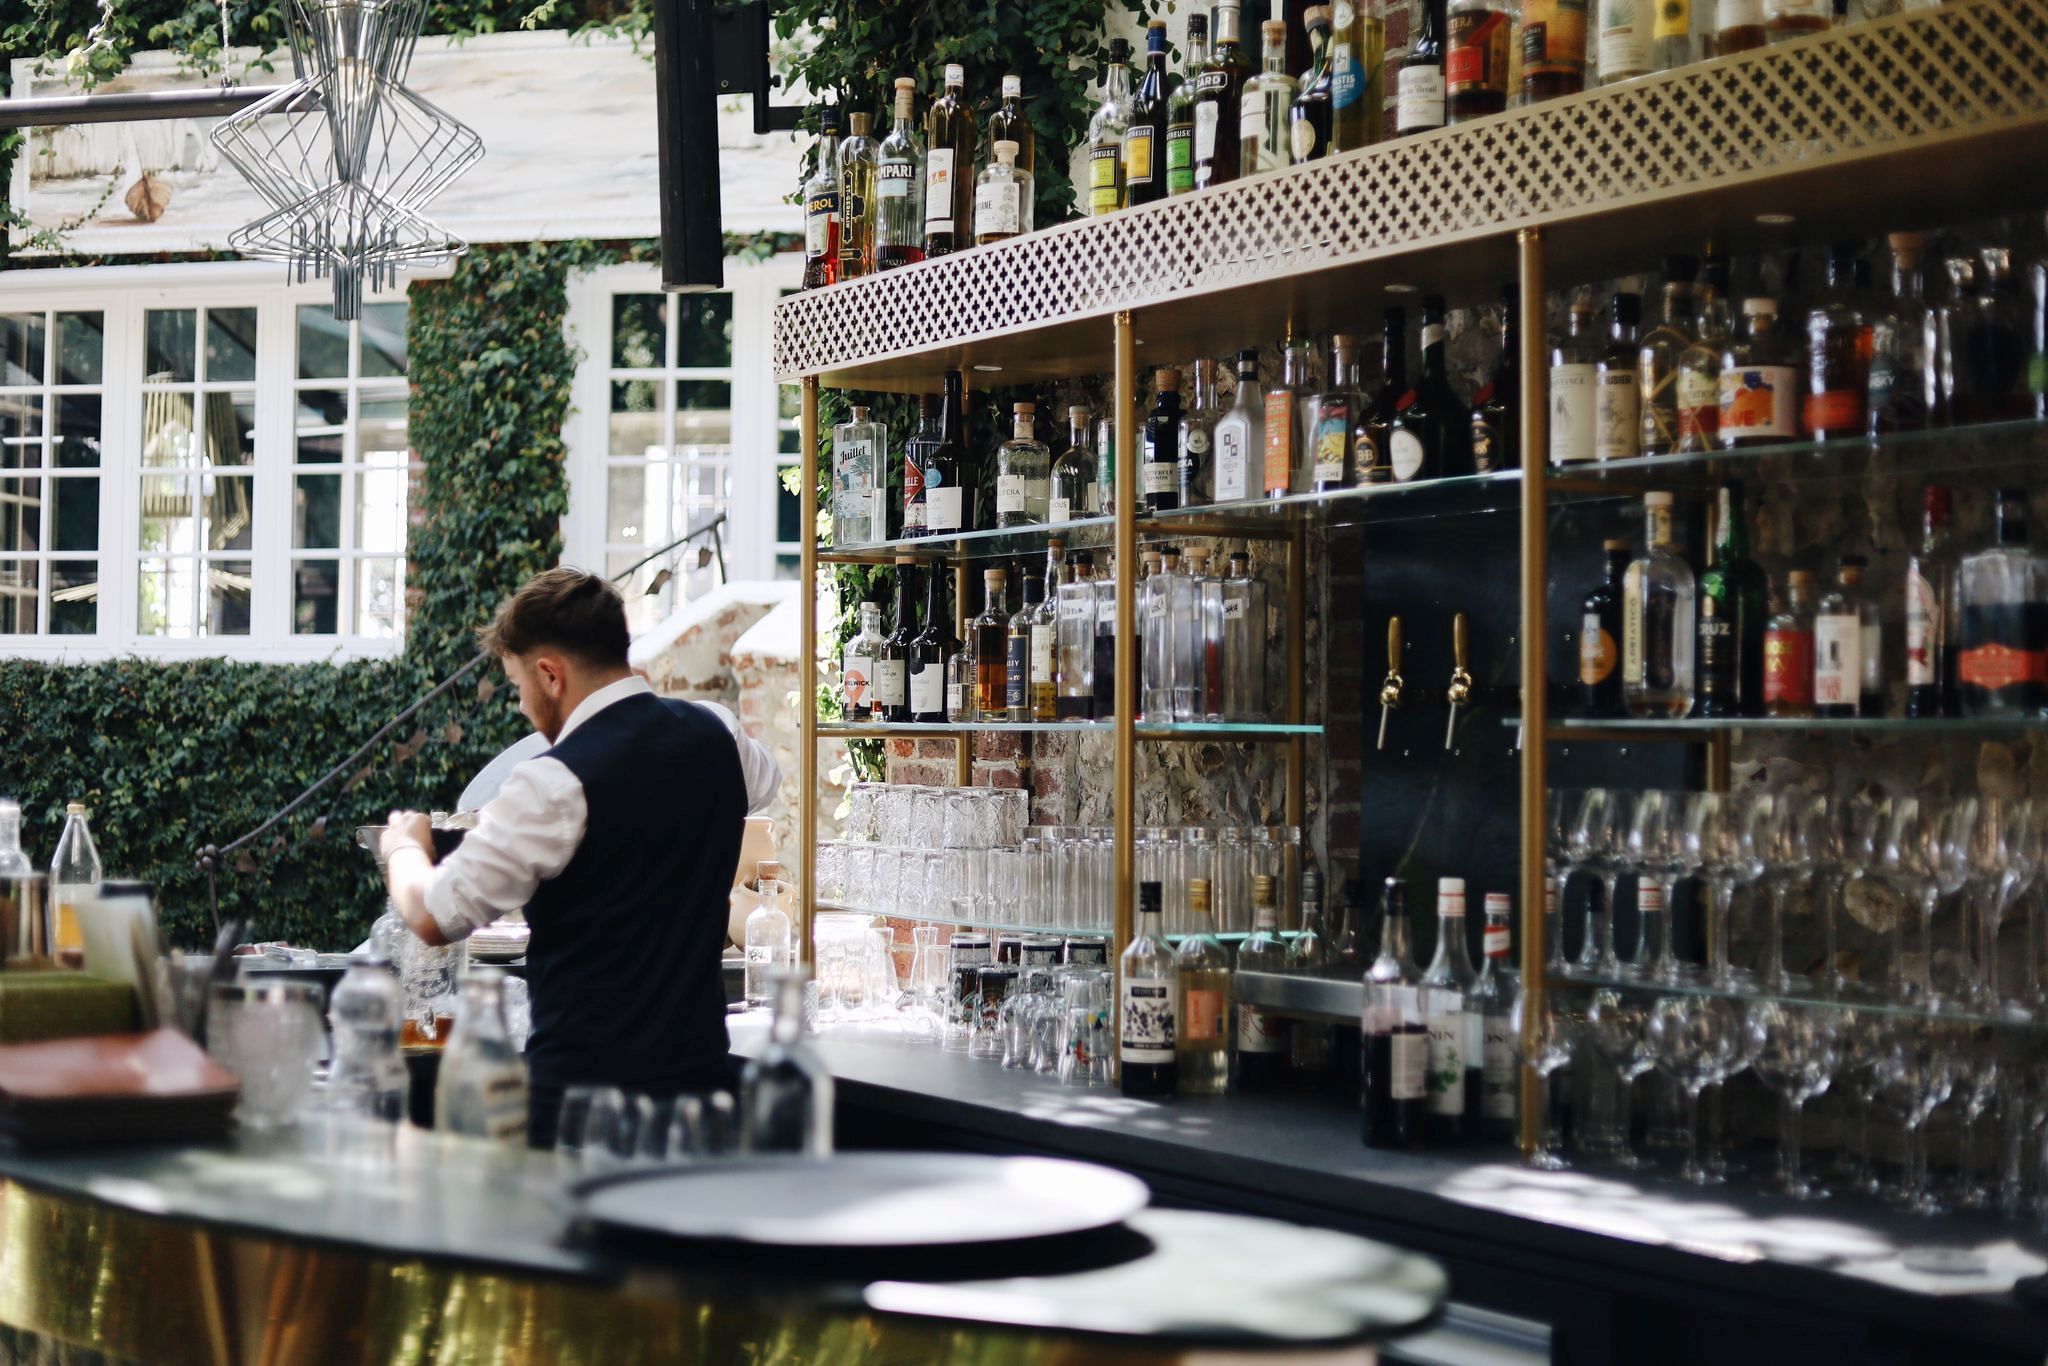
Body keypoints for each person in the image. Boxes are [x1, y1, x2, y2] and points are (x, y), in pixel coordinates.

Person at [380, 568, 780, 1146]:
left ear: (550, 674)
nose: (521, 705)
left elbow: (431, 914)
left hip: (581, 1111)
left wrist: (403, 847)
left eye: (518, 684)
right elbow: (757, 785)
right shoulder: (719, 734)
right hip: (700, 1101)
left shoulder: (552, 784)